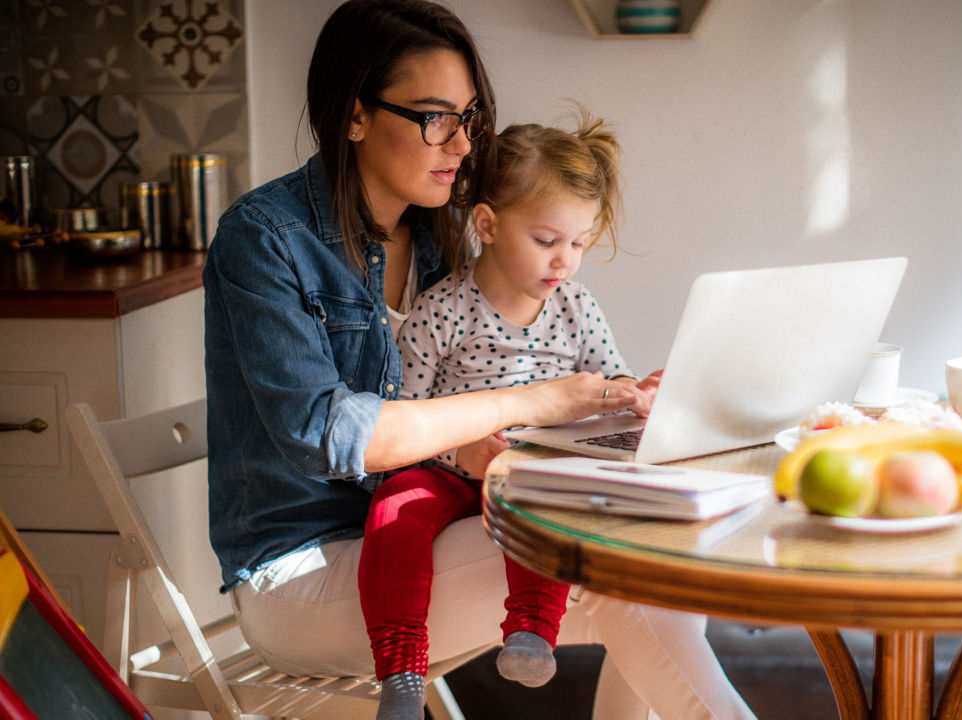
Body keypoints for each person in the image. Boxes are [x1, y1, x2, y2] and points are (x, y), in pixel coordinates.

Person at [202, 2, 756, 719]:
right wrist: (535, 402)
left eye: (470, 118)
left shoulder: (437, 235)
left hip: (424, 529)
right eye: (435, 117)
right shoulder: (265, 238)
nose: (462, 145)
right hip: (306, 569)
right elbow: (332, 437)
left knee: (659, 582)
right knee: (611, 561)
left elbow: (454, 398)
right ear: (354, 115)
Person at [360, 110, 660, 710]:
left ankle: (531, 632)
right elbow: (405, 412)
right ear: (489, 224)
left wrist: (636, 392)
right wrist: (456, 452)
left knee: (548, 511)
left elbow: (608, 375)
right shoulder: (442, 309)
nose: (564, 262)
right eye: (547, 241)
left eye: (579, 243)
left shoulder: (575, 306)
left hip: (534, 468)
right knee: (393, 514)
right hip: (444, 470)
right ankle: (400, 671)